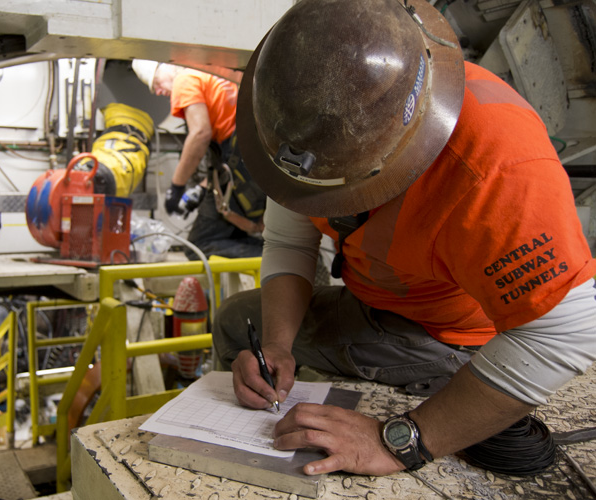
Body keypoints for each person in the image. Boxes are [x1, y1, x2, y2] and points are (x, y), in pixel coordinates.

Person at [214, 0, 596, 477]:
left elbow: (568, 332)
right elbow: (291, 240)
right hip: (377, 305)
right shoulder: (299, 124)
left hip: (455, 337)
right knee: (237, 321)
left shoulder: (495, 162)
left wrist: (400, 441)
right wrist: (277, 347)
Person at [132, 59, 267, 259]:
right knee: (233, 234)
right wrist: (201, 189)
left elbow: (200, 134)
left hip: (243, 167)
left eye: (156, 83)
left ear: (166, 68)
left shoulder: (185, 79)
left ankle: (286, 263)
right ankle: (283, 262)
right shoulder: (213, 73)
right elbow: (224, 155)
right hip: (256, 161)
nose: (158, 92)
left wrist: (176, 187)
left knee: (199, 245)